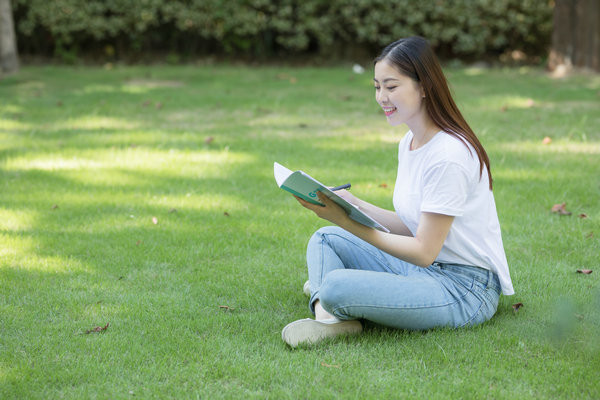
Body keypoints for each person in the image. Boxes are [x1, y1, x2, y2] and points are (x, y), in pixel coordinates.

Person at [281, 36, 514, 348]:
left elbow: (423, 250)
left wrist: (347, 221)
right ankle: (331, 316)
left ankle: (330, 302)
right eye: (377, 86)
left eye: (391, 87)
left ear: (424, 86)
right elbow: (413, 224)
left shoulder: (449, 156)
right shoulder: (410, 141)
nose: (381, 97)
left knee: (335, 284)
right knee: (325, 239)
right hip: (422, 270)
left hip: (463, 288)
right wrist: (352, 204)